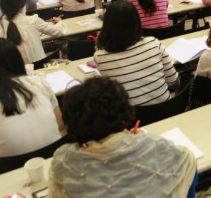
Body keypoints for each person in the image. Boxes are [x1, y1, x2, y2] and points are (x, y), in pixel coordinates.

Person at [49, 77, 197, 198]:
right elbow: (189, 166)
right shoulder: (152, 144)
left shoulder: (63, 162)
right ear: (125, 110)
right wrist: (138, 141)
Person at [0, 39, 63, 197]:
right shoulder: (39, 82)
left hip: (8, 167)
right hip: (54, 154)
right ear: (18, 61)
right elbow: (60, 123)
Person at [93, 0, 179, 106]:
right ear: (137, 22)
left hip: (131, 114)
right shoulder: (153, 43)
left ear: (106, 25)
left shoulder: (100, 57)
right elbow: (174, 82)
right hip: (167, 109)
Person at [0, 0, 66, 64]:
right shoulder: (33, 20)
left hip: (12, 70)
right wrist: (60, 22)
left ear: (1, 5)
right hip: (39, 67)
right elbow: (58, 32)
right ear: (22, 6)